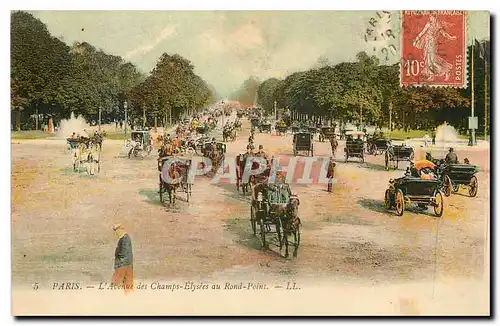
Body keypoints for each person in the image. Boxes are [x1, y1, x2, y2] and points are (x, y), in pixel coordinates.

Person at [111, 223, 134, 294]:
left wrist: (119, 266)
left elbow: (125, 254)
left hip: (123, 266)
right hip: (125, 265)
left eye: (117, 230)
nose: (116, 233)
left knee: (115, 286)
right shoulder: (123, 238)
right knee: (127, 288)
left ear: (121, 229)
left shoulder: (125, 239)